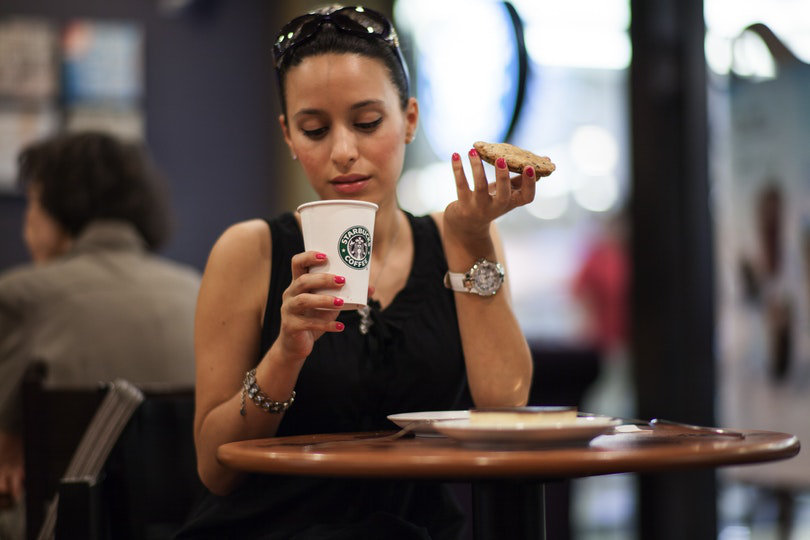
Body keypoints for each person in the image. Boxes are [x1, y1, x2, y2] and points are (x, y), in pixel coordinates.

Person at [177, 5, 535, 538]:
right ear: (289, 138)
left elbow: (505, 407)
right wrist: (286, 352)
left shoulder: (456, 238)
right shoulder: (249, 251)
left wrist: (471, 237)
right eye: (315, 129)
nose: (344, 151)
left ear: (409, 119)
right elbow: (215, 469)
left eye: (368, 123)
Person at [0, 131, 201, 539]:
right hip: (193, 525)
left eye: (34, 204)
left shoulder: (22, 296)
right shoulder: (199, 290)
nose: (27, 227)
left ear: (60, 208)